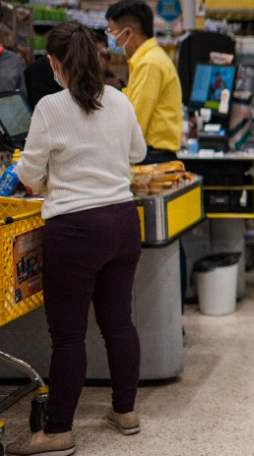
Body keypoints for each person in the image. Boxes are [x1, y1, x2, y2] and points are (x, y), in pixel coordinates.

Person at [7, 23, 146, 456]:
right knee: (119, 324)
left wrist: (44, 175)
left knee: (68, 336)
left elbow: (28, 174)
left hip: (75, 230)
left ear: (54, 63)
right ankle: (125, 412)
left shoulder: (51, 106)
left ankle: (58, 430)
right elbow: (138, 154)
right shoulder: (119, 99)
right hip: (123, 223)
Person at [106, 0, 182, 164]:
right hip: (153, 155)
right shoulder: (147, 59)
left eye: (113, 33)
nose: (113, 41)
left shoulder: (149, 63)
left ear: (128, 33)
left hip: (152, 157)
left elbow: (136, 121)